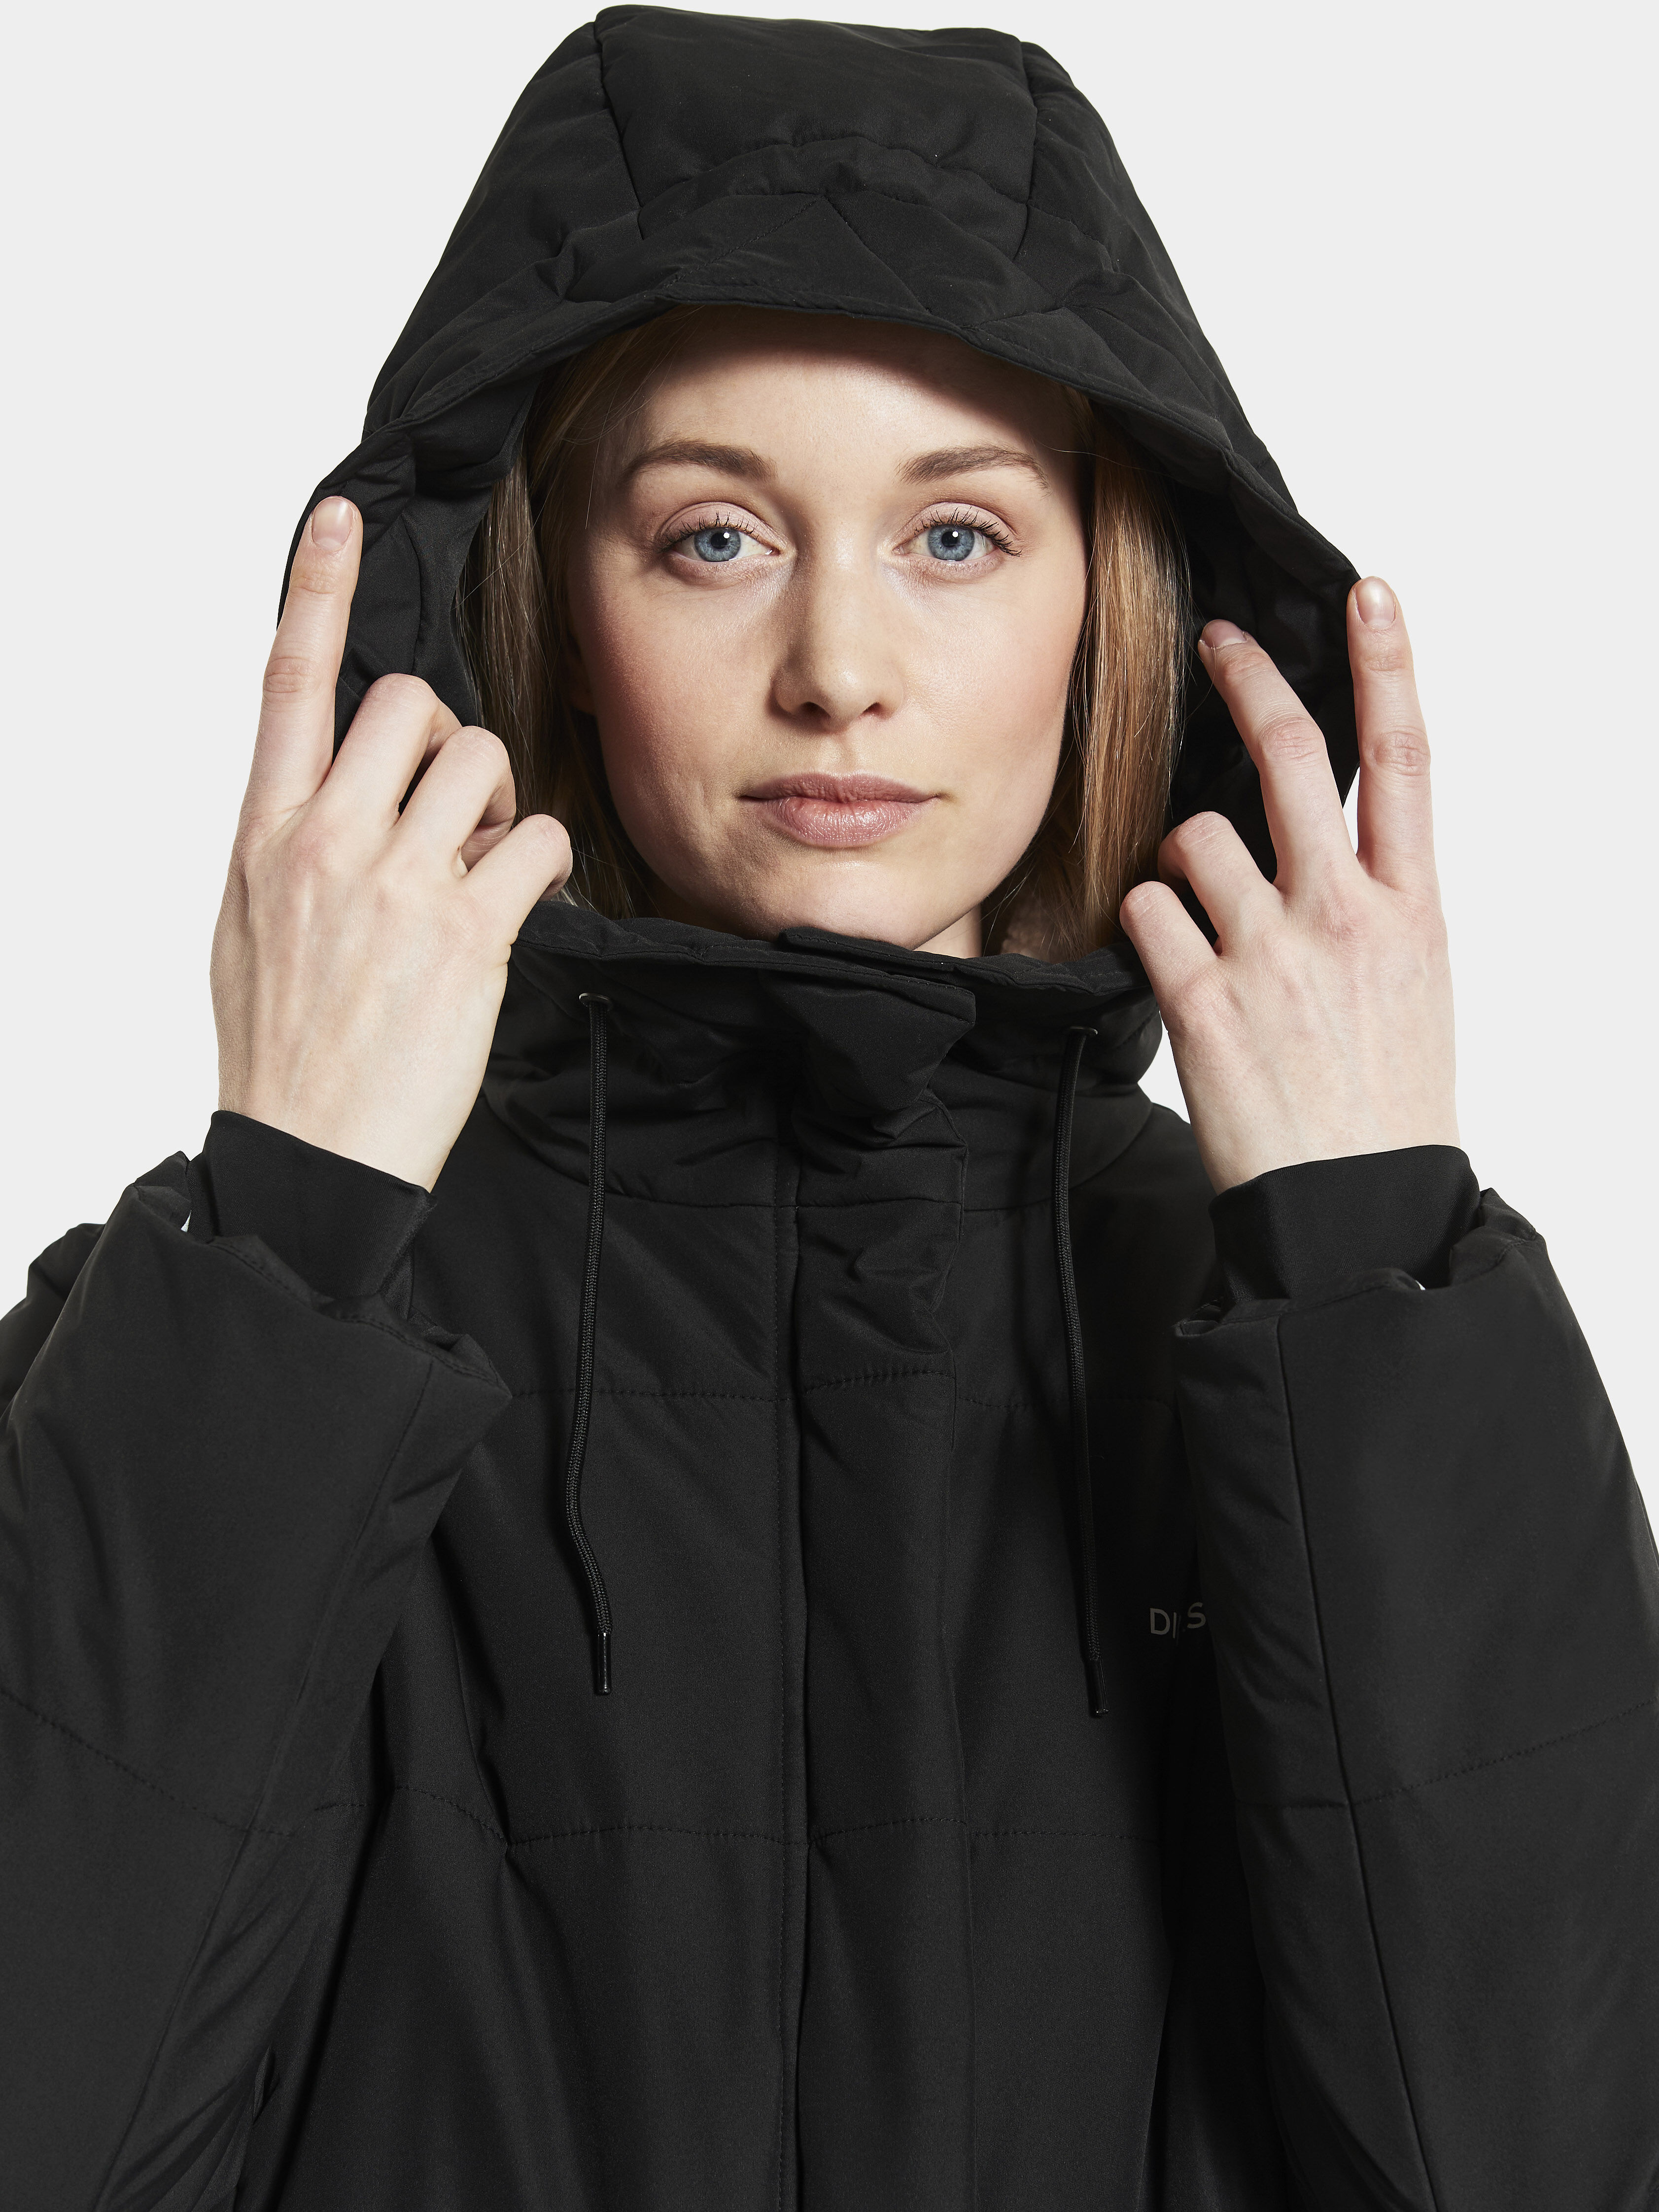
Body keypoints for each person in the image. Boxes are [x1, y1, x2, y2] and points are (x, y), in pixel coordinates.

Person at [2, 8, 1654, 2208]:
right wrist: (290, 1229)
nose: (838, 671)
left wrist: (1365, 1270)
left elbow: (1534, 2164)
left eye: (955, 537)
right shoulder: (255, 1327)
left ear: (1112, 600)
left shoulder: (1321, 1334)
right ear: (539, 595)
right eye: (712, 537)